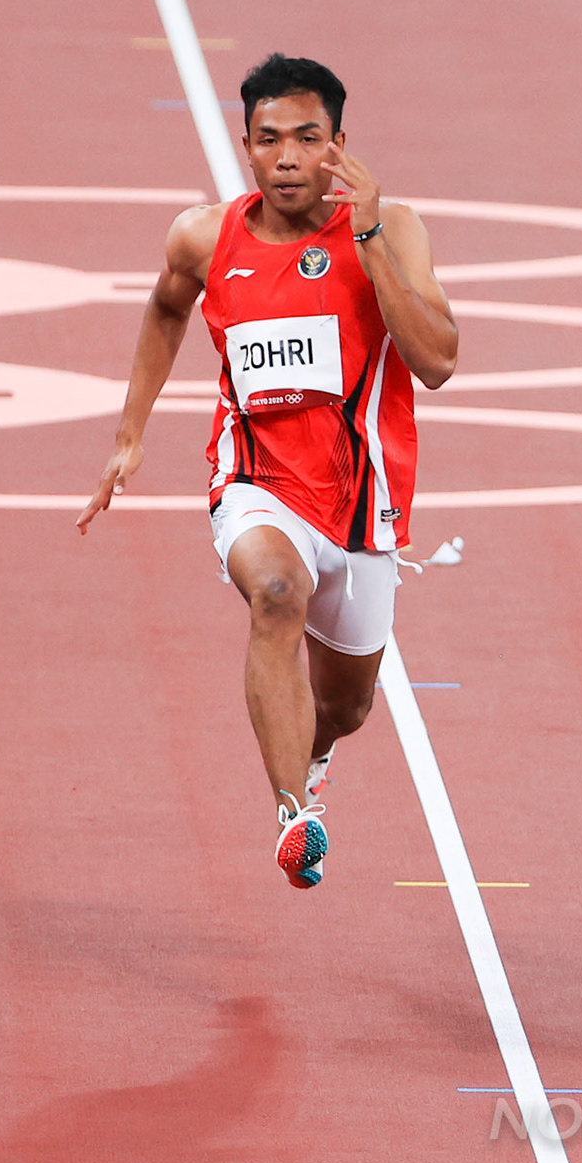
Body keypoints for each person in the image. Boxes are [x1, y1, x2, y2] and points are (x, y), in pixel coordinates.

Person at [78, 54, 457, 887]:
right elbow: (167, 305)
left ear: (340, 145)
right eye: (270, 139)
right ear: (246, 147)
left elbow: (437, 362)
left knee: (349, 705)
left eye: (308, 139)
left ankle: (314, 754)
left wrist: (365, 238)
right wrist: (130, 433)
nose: (289, 157)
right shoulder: (205, 237)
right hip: (254, 485)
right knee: (276, 595)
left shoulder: (393, 231)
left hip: (363, 508)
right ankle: (295, 817)